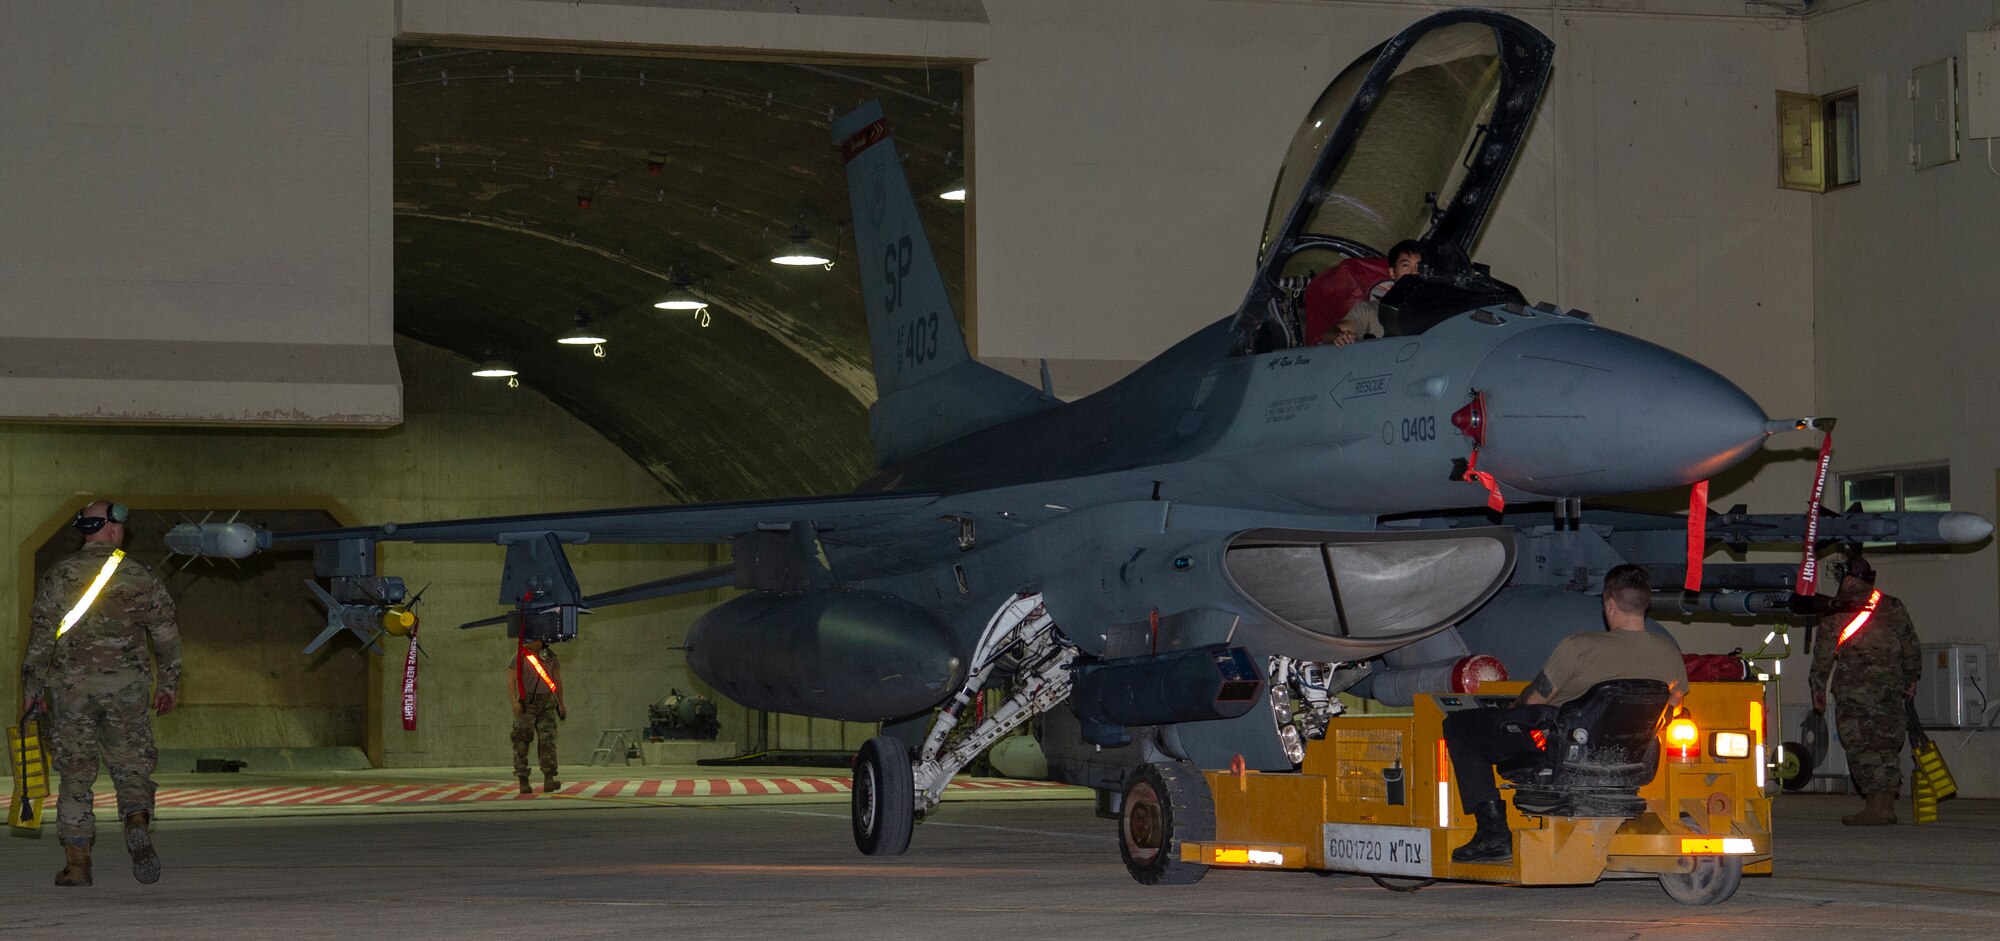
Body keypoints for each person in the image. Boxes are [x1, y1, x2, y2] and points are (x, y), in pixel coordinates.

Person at [1441, 564, 1687, 863]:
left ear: (1609, 604)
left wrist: (1510, 714)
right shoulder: (1668, 651)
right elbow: (1673, 706)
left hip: (1562, 753)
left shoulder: (1580, 646)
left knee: (1459, 725)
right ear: (1644, 603)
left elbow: (1535, 700)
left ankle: (1492, 833)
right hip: (1629, 759)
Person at [20, 500, 180, 887]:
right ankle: (136, 820)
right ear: (111, 527)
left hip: (70, 693)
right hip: (125, 690)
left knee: (75, 775)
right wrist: (169, 683)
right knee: (131, 765)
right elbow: (165, 635)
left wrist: (31, 692)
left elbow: (40, 640)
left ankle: (77, 865)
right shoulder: (139, 574)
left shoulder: (59, 575)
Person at [1808, 554, 1921, 826]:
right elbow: (1911, 645)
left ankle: (1877, 808)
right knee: (1887, 743)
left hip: (1853, 692)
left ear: (1847, 579)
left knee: (1861, 745)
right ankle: (1885, 805)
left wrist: (1818, 686)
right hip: (1890, 690)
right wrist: (1910, 678)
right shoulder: (1893, 605)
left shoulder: (1837, 610)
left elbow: (1823, 655)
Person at [1301, 239, 1424, 346]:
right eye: (1406, 265)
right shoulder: (1370, 310)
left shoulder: (1436, 308)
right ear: (1392, 272)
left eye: (1419, 266)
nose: (1413, 272)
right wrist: (1340, 336)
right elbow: (1331, 333)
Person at [511, 638, 567, 794]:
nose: (533, 642)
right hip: (526, 703)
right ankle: (523, 780)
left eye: (537, 639)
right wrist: (514, 703)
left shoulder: (550, 656)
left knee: (547, 740)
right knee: (521, 741)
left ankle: (549, 778)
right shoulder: (519, 656)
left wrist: (561, 703)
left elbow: (557, 680)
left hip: (547, 703)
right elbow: (511, 680)